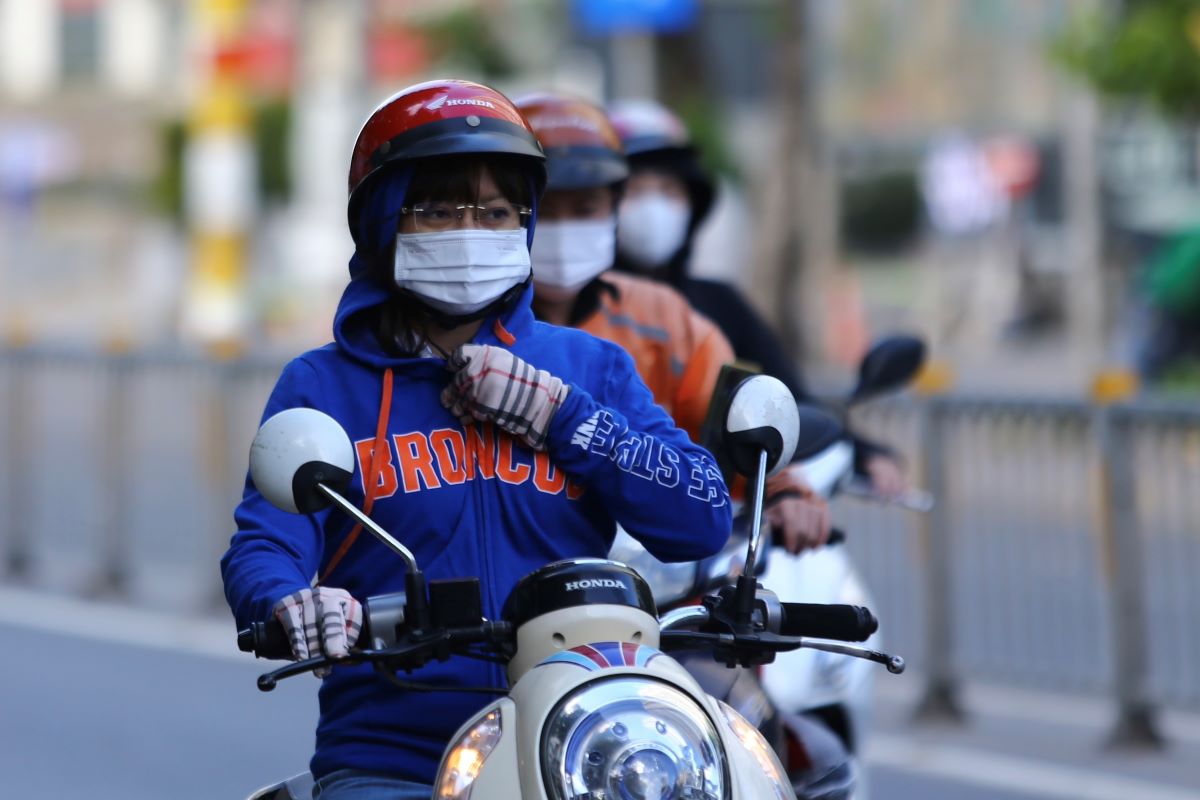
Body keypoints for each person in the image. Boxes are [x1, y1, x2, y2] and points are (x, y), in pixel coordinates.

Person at [220, 79, 733, 800]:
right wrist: (290, 603)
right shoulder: (323, 386)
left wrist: (564, 417)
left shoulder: (589, 367)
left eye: (496, 212)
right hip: (396, 756)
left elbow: (702, 514)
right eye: (437, 210)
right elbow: (266, 541)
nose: (471, 231)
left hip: (584, 741)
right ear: (382, 221)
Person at [515, 90, 832, 551]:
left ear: (613, 209)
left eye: (585, 209)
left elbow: (731, 427)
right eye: (545, 209)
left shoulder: (667, 318)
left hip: (654, 573)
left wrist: (783, 491)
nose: (563, 229)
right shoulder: (469, 326)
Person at [608, 98, 906, 496]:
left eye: (668, 190)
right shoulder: (559, 313)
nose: (653, 208)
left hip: (711, 518)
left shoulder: (721, 307)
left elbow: (789, 401)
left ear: (693, 204)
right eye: (635, 191)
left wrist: (858, 452)